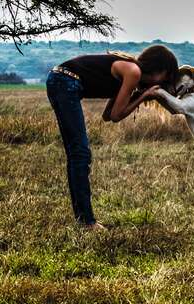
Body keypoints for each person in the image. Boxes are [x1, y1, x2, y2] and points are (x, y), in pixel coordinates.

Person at [46, 45, 178, 230]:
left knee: (77, 154)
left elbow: (107, 115)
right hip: (65, 81)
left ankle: (83, 219)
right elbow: (116, 115)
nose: (164, 81)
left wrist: (138, 95)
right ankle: (87, 222)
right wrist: (144, 96)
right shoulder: (133, 71)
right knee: (80, 154)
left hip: (59, 79)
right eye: (167, 75)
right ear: (160, 69)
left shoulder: (131, 74)